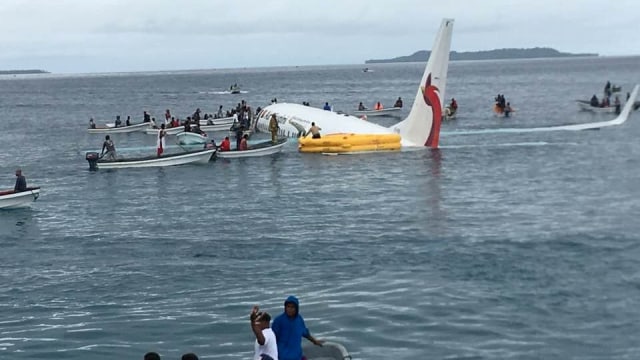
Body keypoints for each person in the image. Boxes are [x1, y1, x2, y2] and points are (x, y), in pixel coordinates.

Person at [272, 295, 323, 360]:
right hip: (282, 357)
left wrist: (315, 341)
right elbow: (272, 339)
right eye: (288, 307)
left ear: (296, 308)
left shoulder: (299, 319)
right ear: (285, 307)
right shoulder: (278, 320)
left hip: (297, 356)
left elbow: (305, 333)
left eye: (292, 307)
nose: (290, 309)